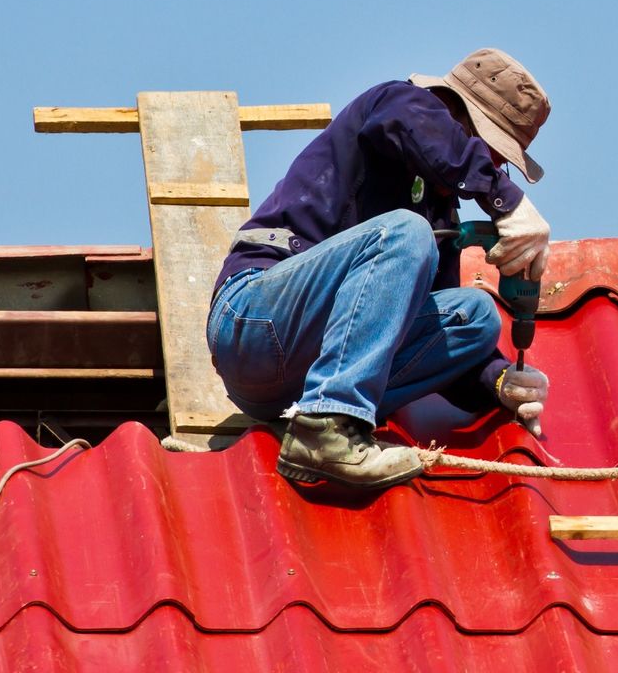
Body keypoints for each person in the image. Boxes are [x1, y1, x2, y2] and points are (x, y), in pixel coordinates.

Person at [205, 48, 553, 490]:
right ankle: (328, 427)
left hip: (293, 384)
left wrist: (498, 382)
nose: (496, 166)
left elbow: (427, 335)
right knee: (406, 232)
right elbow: (415, 124)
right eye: (493, 151)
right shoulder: (396, 103)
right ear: (454, 116)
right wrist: (505, 198)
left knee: (476, 315)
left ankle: (323, 414)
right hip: (254, 321)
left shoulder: (438, 217)